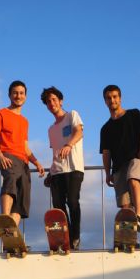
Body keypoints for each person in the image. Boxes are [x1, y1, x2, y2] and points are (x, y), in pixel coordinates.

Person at [0, 80, 44, 227]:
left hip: (24, 162)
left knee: (22, 198)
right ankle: (5, 219)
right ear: (9, 95)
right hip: (8, 155)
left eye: (21, 93)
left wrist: (36, 162)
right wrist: (0, 155)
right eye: (15, 93)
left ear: (25, 97)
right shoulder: (0, 114)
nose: (18, 96)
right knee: (11, 179)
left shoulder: (24, 121)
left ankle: (11, 234)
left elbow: (25, 147)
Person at [100, 85, 140, 232]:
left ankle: (139, 217)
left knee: (133, 180)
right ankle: (130, 236)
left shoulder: (134, 114)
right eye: (108, 98)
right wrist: (107, 173)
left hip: (136, 158)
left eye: (115, 97)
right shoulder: (105, 128)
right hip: (118, 166)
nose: (112, 100)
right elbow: (106, 152)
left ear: (120, 98)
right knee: (125, 205)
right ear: (105, 101)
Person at [41, 86, 84, 250]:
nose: (51, 103)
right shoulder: (51, 129)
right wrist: (50, 173)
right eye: (48, 102)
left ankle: (75, 237)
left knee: (72, 201)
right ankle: (65, 238)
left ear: (60, 100)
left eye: (53, 100)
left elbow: (79, 133)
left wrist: (69, 144)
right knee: (58, 208)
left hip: (74, 168)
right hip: (57, 171)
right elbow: (55, 153)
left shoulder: (72, 115)